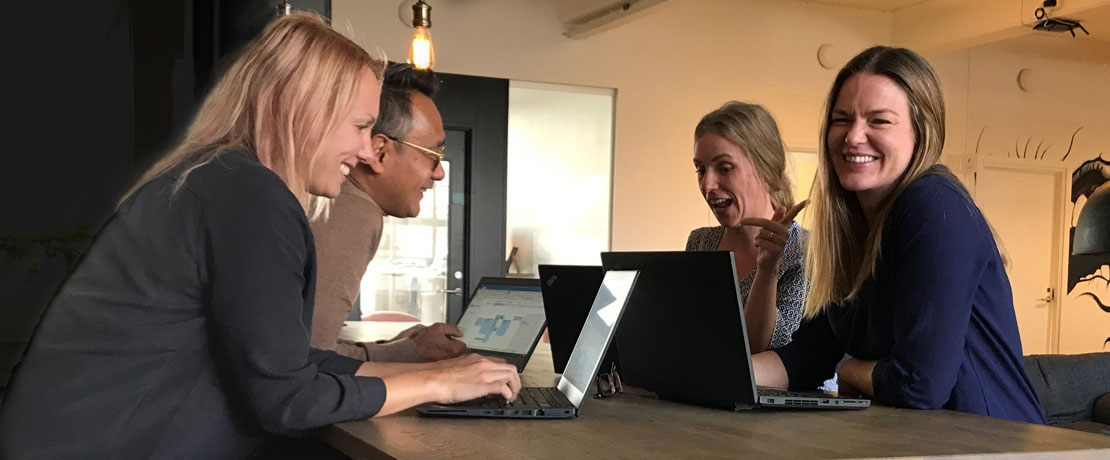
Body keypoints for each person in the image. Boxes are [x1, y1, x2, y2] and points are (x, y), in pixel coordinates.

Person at [0, 13, 519, 459]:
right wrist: (438, 382)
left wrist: (434, 375)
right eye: (360, 126)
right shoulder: (249, 196)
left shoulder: (217, 177)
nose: (367, 152)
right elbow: (286, 398)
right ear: (305, 112)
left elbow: (289, 359)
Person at [752, 46, 1046, 424]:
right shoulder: (849, 231)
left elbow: (920, 384)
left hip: (996, 440)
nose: (853, 136)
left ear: (921, 133)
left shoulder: (933, 204)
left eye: (879, 121)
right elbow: (806, 358)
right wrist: (712, 373)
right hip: (917, 438)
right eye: (842, 119)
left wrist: (850, 370)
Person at [310, 63, 466, 363]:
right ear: (380, 151)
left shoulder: (335, 200)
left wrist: (396, 346)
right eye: (433, 155)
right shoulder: (353, 210)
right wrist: (412, 352)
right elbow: (309, 361)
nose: (439, 173)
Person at [687, 101, 808, 354]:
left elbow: (761, 350)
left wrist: (767, 268)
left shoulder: (806, 251)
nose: (707, 185)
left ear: (766, 169)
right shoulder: (700, 243)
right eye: (701, 170)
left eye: (724, 168)